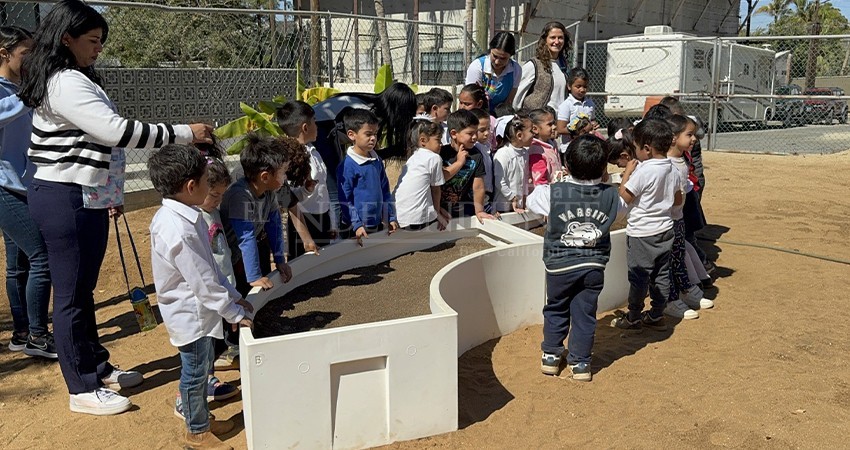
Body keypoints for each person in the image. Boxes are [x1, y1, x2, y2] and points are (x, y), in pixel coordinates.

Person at [19, 0, 213, 414]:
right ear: (66, 39)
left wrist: (108, 195)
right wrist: (185, 133)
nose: (99, 48)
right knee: (71, 295)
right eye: (92, 40)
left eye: (100, 41)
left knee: (82, 290)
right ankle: (82, 388)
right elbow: (115, 132)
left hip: (82, 193)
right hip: (65, 196)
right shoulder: (65, 81)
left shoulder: (72, 78)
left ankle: (96, 366)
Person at [148, 143, 253, 450]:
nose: (210, 187)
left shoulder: (188, 215)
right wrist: (234, 313)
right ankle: (196, 431)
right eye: (208, 181)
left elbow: (211, 267)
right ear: (191, 186)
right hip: (190, 316)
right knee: (195, 375)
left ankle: (201, 419)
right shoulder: (177, 229)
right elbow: (203, 283)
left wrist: (234, 295)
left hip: (200, 312)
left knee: (203, 367)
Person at [526, 135, 621, 382]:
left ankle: (551, 355)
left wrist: (559, 183)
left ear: (566, 165)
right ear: (604, 168)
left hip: (559, 265)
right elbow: (622, 210)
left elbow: (531, 201)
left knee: (556, 307)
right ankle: (580, 363)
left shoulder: (553, 192)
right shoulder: (612, 195)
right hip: (593, 265)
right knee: (584, 313)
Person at [0, 26, 57, 359]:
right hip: (4, 185)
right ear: (4, 53)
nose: (32, 59)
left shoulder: (22, 88)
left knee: (18, 264)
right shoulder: (13, 92)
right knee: (41, 257)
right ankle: (37, 336)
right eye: (26, 53)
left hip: (23, 182)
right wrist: (30, 95)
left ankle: (21, 334)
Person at [611, 118, 693, 332]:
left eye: (636, 147)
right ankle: (656, 314)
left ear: (646, 149)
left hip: (642, 233)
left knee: (639, 277)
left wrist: (627, 173)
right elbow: (677, 200)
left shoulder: (644, 171)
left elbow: (624, 197)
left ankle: (633, 316)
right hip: (665, 230)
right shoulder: (673, 168)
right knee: (661, 275)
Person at [220, 134, 293, 297]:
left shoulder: (269, 192)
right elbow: (245, 236)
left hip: (246, 253)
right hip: (230, 260)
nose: (285, 177)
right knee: (241, 295)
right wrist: (254, 276)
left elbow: (274, 225)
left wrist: (280, 260)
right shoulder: (240, 195)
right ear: (265, 177)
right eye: (283, 172)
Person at [276, 101, 337, 257]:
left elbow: (323, 188)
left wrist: (332, 221)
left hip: (322, 216)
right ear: (305, 127)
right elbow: (289, 200)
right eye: (314, 121)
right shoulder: (288, 160)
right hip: (303, 220)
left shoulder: (314, 151)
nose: (317, 126)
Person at [666, 115, 714, 311]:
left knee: (679, 255)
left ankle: (686, 289)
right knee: (667, 261)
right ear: (673, 137)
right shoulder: (665, 163)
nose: (694, 138)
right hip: (665, 222)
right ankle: (669, 299)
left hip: (678, 218)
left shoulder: (682, 159)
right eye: (689, 134)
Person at [336, 109, 398, 245]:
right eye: (368, 134)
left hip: (375, 222)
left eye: (375, 133)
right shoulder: (347, 166)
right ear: (351, 135)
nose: (373, 138)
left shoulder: (377, 160)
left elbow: (385, 190)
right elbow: (345, 198)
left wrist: (390, 216)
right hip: (354, 227)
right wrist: (356, 224)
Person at [393, 117, 448, 230]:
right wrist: (437, 213)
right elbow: (436, 190)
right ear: (423, 140)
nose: (441, 144)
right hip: (416, 220)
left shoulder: (413, 157)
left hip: (397, 214)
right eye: (438, 140)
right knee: (446, 216)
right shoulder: (434, 158)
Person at [440, 109, 492, 222]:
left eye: (476, 132)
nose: (474, 137)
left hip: (462, 210)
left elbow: (478, 187)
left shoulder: (476, 156)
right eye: (470, 133)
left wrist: (479, 211)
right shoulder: (442, 154)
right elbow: (438, 179)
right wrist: (459, 162)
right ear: (454, 134)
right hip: (439, 209)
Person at [514, 21, 571, 111]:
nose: (557, 42)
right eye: (552, 37)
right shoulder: (534, 65)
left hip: (560, 118)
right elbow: (517, 96)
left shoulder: (564, 65)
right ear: (545, 40)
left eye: (560, 38)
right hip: (537, 118)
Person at [465, 31, 522, 114]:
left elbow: (508, 102)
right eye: (495, 56)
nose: (497, 62)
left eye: (503, 58)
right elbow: (472, 99)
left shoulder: (516, 70)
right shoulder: (477, 67)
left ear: (510, 55)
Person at [492, 114, 534, 213]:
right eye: (531, 131)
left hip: (518, 205)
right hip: (503, 206)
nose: (534, 134)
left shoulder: (525, 153)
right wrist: (512, 197)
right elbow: (499, 180)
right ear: (519, 135)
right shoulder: (503, 154)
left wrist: (524, 198)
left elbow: (524, 178)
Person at [556, 67, 596, 144]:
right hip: (570, 146)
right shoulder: (566, 105)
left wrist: (593, 125)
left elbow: (592, 120)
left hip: (586, 144)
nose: (582, 90)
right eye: (578, 86)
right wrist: (579, 131)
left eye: (585, 87)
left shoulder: (590, 104)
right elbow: (560, 129)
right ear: (569, 86)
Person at [528, 107, 561, 186]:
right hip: (547, 192)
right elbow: (539, 182)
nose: (554, 127)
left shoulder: (552, 144)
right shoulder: (536, 151)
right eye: (550, 124)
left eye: (554, 123)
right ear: (535, 129)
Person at [469, 108, 496, 205]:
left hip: (487, 196)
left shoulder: (487, 147)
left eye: (488, 128)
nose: (487, 133)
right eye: (482, 130)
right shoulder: (473, 150)